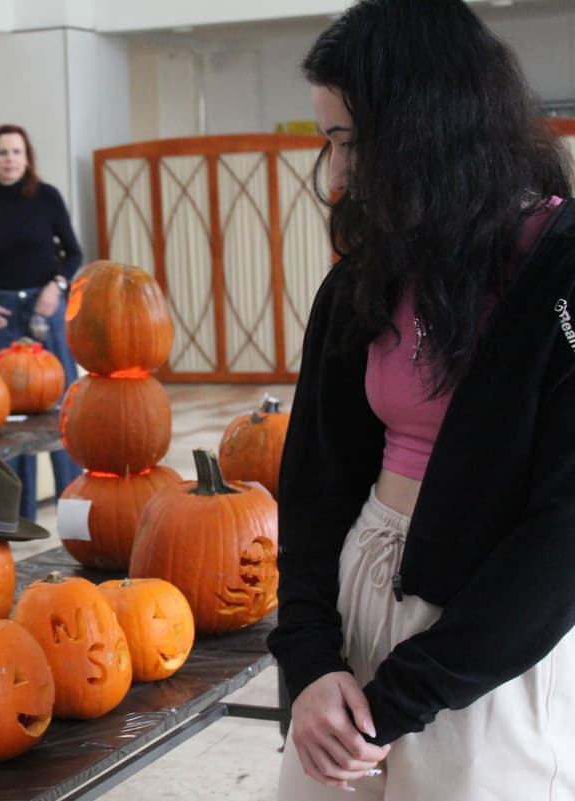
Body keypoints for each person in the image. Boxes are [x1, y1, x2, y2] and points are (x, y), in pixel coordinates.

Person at [267, 3, 575, 799]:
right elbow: (313, 485)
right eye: (328, 142)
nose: (336, 175)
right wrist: (309, 663)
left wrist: (401, 696)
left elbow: (562, 538)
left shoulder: (561, 272)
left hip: (485, 646)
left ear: (422, 129)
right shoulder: (366, 278)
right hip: (355, 605)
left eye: (348, 141)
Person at [0, 123, 83, 520]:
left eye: (16, 152)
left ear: (27, 158)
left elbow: (74, 253)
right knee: (8, 420)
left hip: (44, 308)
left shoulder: (47, 198)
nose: (9, 159)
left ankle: (75, 517)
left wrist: (57, 286)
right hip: (0, 314)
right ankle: (16, 519)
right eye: (2, 153)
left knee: (62, 409)